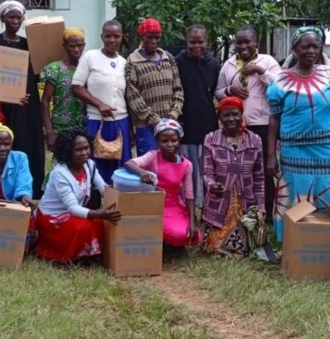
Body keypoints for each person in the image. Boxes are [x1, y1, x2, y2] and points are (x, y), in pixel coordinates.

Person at [266, 26, 330, 241]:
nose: (311, 50)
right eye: (306, 46)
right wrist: (270, 156)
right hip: (293, 151)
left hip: (326, 149)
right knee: (295, 192)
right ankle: (295, 240)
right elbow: (274, 119)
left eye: (316, 46)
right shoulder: (280, 80)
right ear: (295, 48)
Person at [216, 25, 282, 218]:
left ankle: (266, 212)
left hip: (261, 125)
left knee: (262, 169)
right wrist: (230, 90)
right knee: (237, 170)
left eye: (247, 42)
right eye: (239, 42)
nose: (243, 46)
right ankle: (240, 209)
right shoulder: (228, 64)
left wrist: (260, 71)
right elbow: (218, 92)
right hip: (234, 127)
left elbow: (281, 86)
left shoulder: (267, 61)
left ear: (256, 43)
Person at [35, 129, 122, 264]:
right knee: (85, 226)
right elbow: (73, 208)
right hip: (53, 217)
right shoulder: (60, 173)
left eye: (86, 148)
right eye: (78, 150)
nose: (84, 153)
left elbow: (104, 189)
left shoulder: (90, 165)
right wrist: (101, 214)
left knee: (101, 224)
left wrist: (125, 195)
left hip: (74, 213)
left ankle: (92, 254)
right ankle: (75, 257)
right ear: (67, 151)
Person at [0, 0, 46, 198]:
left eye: (18, 17)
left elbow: (36, 71)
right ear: (3, 18)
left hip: (29, 103)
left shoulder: (27, 44)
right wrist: (9, 96)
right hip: (6, 104)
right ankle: (6, 189)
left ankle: (34, 187)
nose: (15, 20)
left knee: (33, 143)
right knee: (11, 142)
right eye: (10, 16)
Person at [201, 96, 267, 257]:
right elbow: (207, 172)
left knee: (245, 247)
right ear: (220, 118)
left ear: (241, 115)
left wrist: (261, 207)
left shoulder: (255, 140)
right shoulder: (211, 139)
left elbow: (259, 177)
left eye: (235, 114)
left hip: (246, 203)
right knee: (212, 246)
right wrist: (211, 185)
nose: (231, 119)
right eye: (226, 115)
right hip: (219, 202)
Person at [124, 119, 201, 247]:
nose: (170, 144)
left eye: (174, 140)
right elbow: (129, 164)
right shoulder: (153, 156)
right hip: (154, 205)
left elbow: (189, 196)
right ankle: (161, 239)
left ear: (179, 141)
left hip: (174, 206)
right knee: (175, 234)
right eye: (164, 141)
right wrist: (142, 172)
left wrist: (193, 222)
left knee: (191, 234)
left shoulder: (187, 165)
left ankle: (164, 238)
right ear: (157, 142)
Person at [72, 20, 131, 182]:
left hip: (120, 121)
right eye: (108, 36)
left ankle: (117, 200)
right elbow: (77, 86)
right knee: (94, 163)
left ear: (122, 37)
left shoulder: (124, 63)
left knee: (120, 163)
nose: (112, 40)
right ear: (102, 37)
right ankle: (94, 201)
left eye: (116, 36)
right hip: (96, 121)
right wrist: (99, 104)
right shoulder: (90, 57)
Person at [175, 24, 221, 209]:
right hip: (186, 125)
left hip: (208, 125)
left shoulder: (214, 64)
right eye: (192, 42)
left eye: (200, 42)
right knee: (188, 171)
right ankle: (187, 208)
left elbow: (217, 92)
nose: (196, 46)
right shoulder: (178, 62)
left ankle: (209, 208)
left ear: (206, 41)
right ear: (187, 42)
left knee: (207, 170)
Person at [125, 18, 185, 157]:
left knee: (168, 165)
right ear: (141, 37)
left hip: (170, 124)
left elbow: (178, 88)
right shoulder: (133, 62)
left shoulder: (168, 57)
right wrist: (153, 118)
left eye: (157, 37)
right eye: (149, 37)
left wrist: (173, 114)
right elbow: (133, 95)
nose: (154, 41)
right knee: (149, 166)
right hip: (147, 125)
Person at [40, 27, 88, 150]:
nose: (76, 50)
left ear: (84, 46)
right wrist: (50, 131)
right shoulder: (55, 69)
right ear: (65, 46)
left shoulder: (88, 68)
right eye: (72, 46)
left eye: (79, 45)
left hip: (84, 127)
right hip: (61, 128)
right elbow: (45, 101)